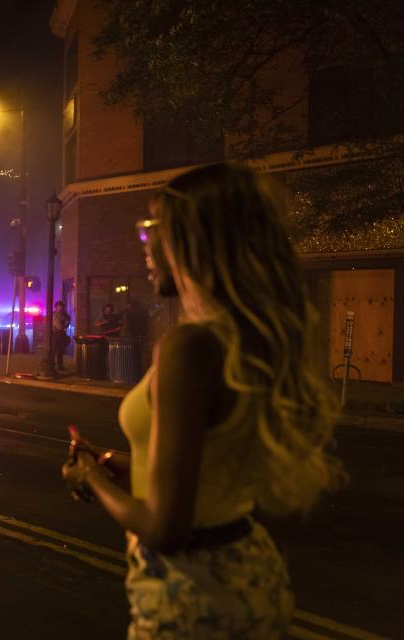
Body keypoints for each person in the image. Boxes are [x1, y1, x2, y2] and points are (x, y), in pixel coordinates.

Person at [61, 163, 344, 638]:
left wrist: (90, 476)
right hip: (248, 572)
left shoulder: (188, 348)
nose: (145, 246)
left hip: (190, 596)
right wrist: (127, 467)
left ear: (195, 242)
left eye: (155, 231)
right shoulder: (241, 339)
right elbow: (209, 468)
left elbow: (168, 529)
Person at [50, 300, 71, 370]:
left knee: (60, 351)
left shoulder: (64, 314)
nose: (60, 308)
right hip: (55, 334)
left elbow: (67, 323)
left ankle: (60, 365)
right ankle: (52, 365)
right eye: (59, 307)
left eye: (61, 307)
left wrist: (65, 324)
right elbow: (59, 326)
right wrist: (64, 324)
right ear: (56, 307)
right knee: (54, 350)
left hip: (61, 334)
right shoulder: (54, 315)